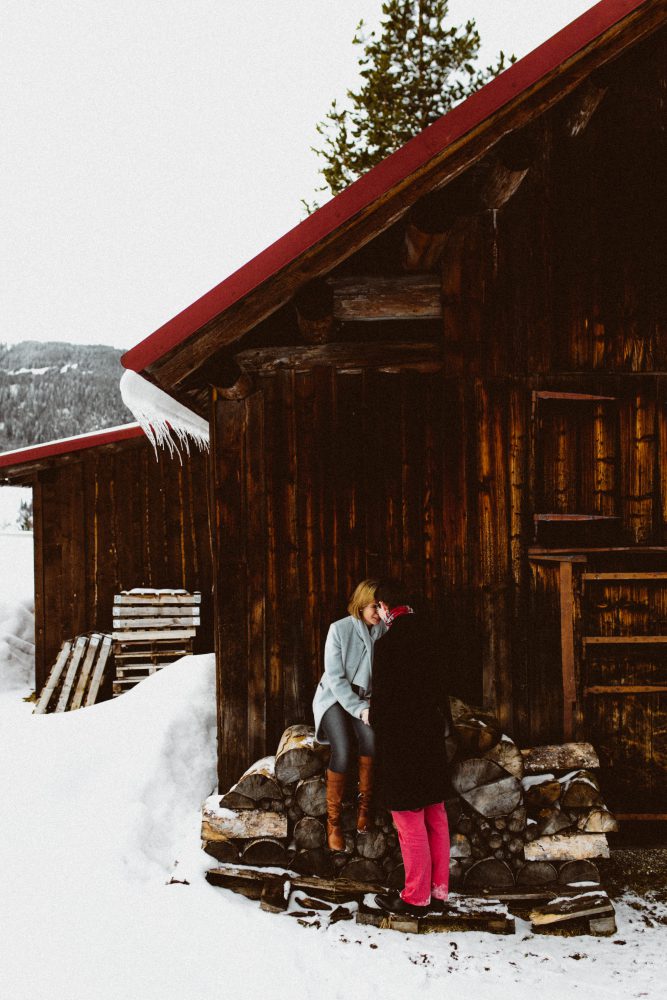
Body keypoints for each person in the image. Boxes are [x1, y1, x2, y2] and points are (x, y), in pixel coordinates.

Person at [369, 579, 451, 916]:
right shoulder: (433, 637)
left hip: (402, 741)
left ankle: (416, 897)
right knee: (435, 813)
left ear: (387, 607)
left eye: (379, 607)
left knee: (408, 816)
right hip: (430, 736)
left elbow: (383, 702)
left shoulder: (388, 645)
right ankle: (439, 891)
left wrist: (372, 718)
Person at [313, 579, 386, 851]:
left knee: (371, 741)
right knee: (342, 749)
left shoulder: (382, 631)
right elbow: (335, 678)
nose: (376, 613)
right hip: (335, 697)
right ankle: (333, 823)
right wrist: (359, 709)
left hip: (365, 699)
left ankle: (363, 809)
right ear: (360, 604)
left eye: (380, 607)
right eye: (371, 607)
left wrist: (370, 706)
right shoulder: (339, 630)